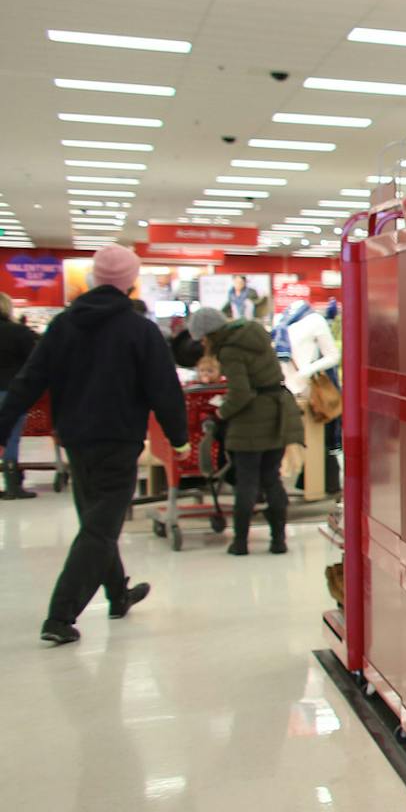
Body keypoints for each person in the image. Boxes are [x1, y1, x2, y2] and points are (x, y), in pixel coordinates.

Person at [0, 246, 186, 645]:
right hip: (119, 440)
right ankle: (60, 616)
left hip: (77, 439)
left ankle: (118, 595)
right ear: (130, 282)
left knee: (96, 522)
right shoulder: (140, 330)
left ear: (94, 280)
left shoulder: (64, 325)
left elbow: (28, 381)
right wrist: (180, 436)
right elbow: (164, 389)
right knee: (101, 528)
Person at [187, 305, 301, 556]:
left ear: (210, 334)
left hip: (251, 419)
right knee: (272, 478)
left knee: (247, 481)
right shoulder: (255, 334)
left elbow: (241, 393)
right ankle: (278, 540)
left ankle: (240, 543)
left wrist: (220, 413)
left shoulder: (230, 350)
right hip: (277, 412)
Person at [0, 294, 40, 499]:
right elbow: (34, 362)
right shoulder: (19, 332)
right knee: (10, 437)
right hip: (11, 390)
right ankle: (12, 485)